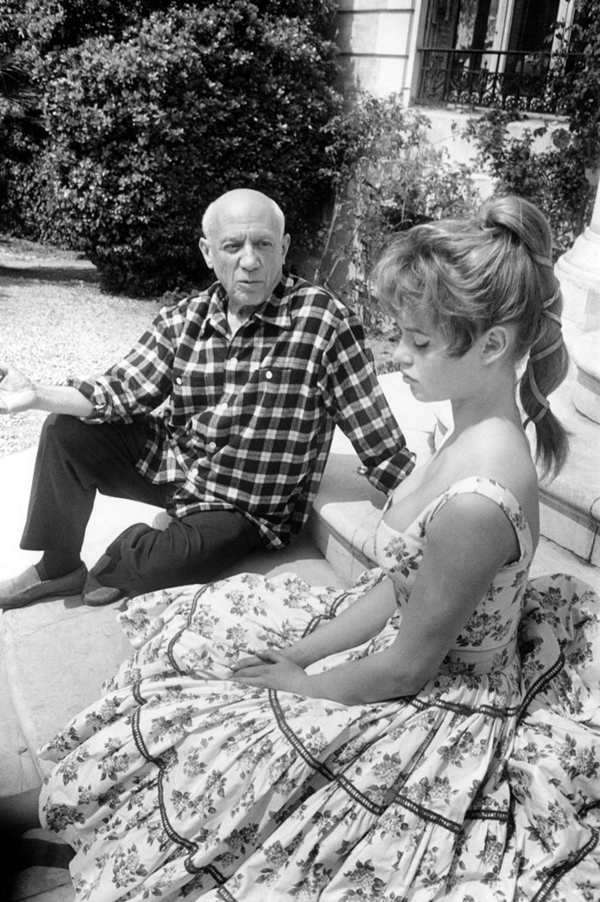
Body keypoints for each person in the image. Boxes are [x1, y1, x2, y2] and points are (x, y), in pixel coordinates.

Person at [2, 195, 600, 900]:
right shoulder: (467, 431)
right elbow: (398, 586)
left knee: (232, 743)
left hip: (433, 696)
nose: (397, 356)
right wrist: (303, 651)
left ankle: (47, 822)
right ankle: (55, 814)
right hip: (377, 632)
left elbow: (408, 666)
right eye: (400, 336)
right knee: (208, 678)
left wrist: (304, 685)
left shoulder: (479, 498)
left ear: (493, 346)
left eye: (418, 343)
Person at [0, 188, 414, 609]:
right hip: (175, 469)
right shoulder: (185, 318)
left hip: (242, 505)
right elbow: (122, 389)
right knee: (64, 430)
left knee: (155, 571)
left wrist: (434, 505)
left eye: (263, 244)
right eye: (232, 247)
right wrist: (38, 395)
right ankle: (58, 566)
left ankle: (135, 548)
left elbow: (376, 435)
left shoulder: (324, 322)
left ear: (284, 247)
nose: (249, 261)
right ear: (208, 252)